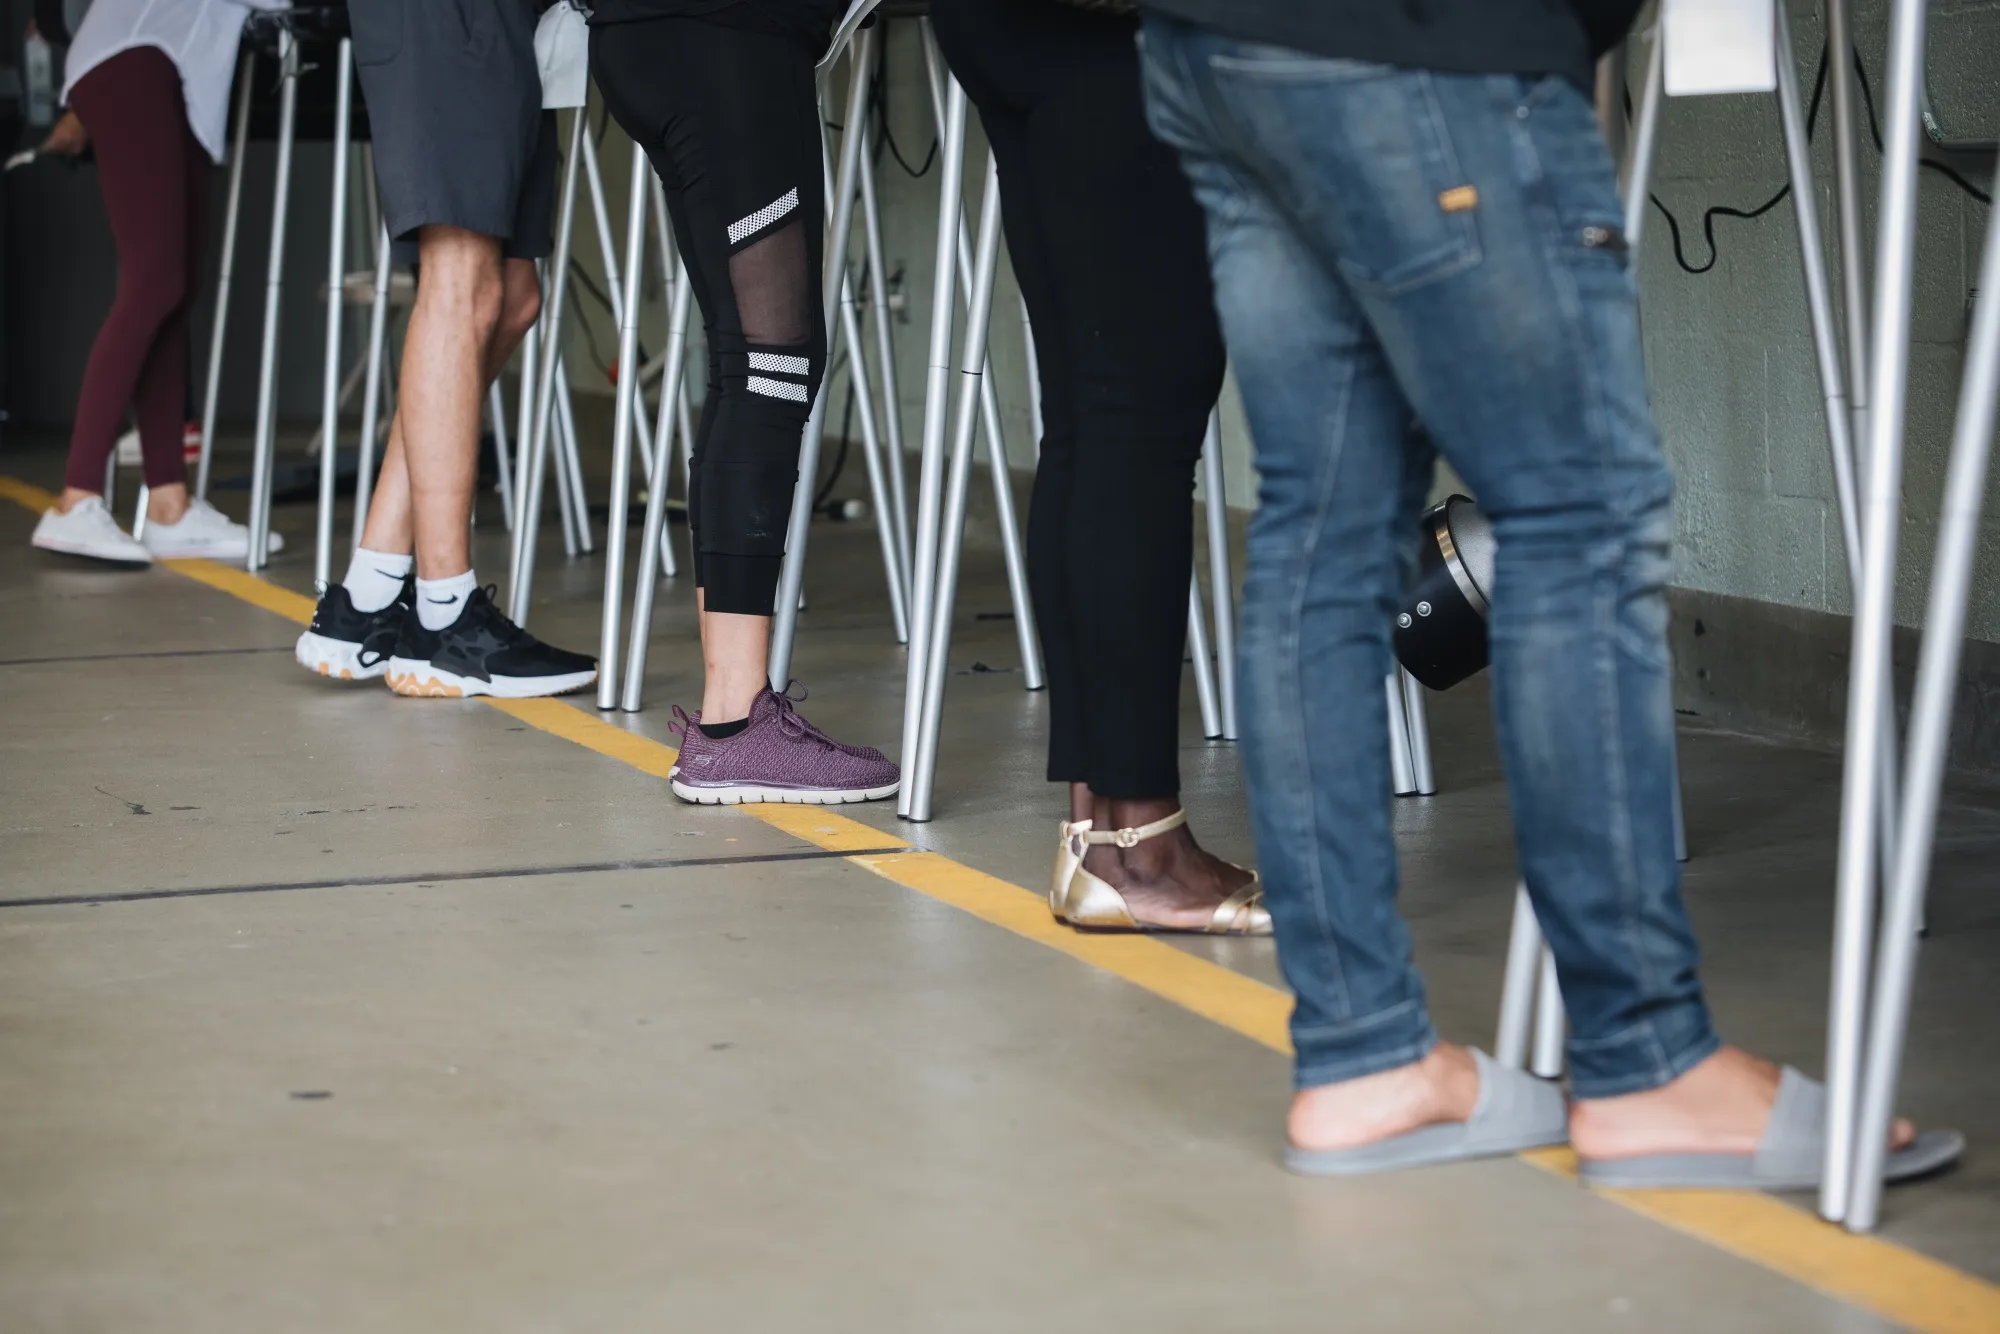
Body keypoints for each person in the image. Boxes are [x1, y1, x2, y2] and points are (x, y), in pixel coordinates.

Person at [1134, 1, 1965, 1185]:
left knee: (1318, 544)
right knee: (1574, 520)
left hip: (1220, 45)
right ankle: (1645, 1056)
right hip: (1426, 50)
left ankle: (1361, 1054)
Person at [928, 0, 1262, 934]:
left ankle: (1100, 837)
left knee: (1090, 411)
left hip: (1002, 27)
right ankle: (1145, 850)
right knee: (1139, 409)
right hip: (1109, 29)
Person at [588, 0, 898, 804]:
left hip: (664, 34)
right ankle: (732, 722)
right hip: (726, 34)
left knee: (749, 359)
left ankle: (733, 715)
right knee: (773, 363)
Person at [295, 0, 597, 699]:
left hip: (507, 21)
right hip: (452, 15)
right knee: (460, 276)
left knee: (512, 296)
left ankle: (368, 596)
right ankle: (446, 619)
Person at [26, 0, 282, 566]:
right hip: (136, 56)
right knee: (154, 281)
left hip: (161, 65)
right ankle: (77, 496)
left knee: (174, 286)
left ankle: (169, 503)